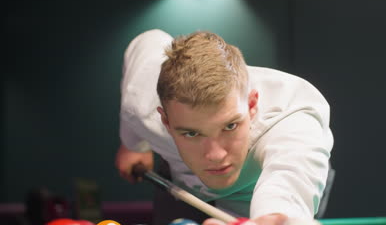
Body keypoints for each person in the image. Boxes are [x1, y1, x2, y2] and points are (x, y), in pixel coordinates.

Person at [115, 29, 334, 225]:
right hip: (184, 190)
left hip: (257, 201)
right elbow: (148, 39)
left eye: (230, 126)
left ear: (251, 105)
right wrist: (134, 145)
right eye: (191, 133)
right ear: (166, 122)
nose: (216, 155)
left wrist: (275, 216)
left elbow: (289, 178)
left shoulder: (293, 117)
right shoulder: (141, 104)